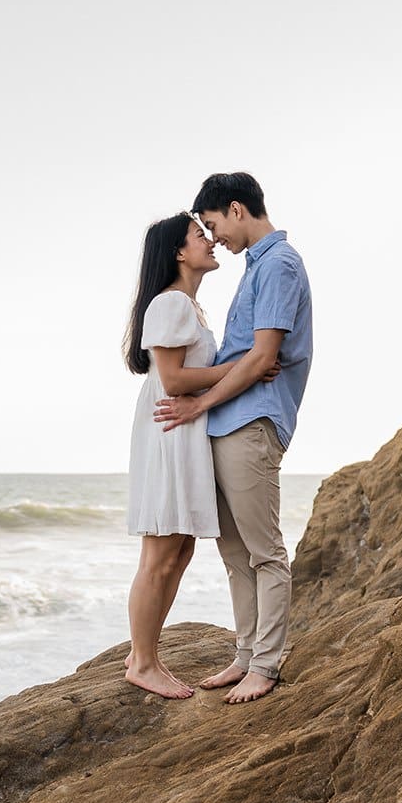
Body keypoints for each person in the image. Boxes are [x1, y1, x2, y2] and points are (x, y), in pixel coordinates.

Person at [155, 173, 313, 704]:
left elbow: (264, 357)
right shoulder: (255, 269)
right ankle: (246, 656)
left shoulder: (279, 265)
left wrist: (199, 401)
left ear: (237, 209)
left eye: (216, 224)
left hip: (250, 423)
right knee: (235, 554)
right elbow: (244, 357)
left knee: (265, 553)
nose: (214, 235)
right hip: (227, 424)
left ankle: (266, 664)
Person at [123, 213, 277, 700]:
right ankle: (143, 662)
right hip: (171, 429)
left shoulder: (187, 305)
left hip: (181, 429)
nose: (209, 241)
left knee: (180, 547)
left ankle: (142, 653)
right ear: (177, 253)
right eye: (198, 235)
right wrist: (241, 368)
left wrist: (239, 370)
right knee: (161, 552)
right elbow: (172, 381)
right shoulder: (171, 303)